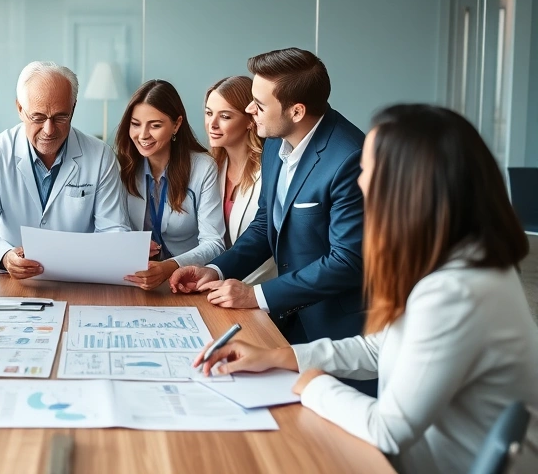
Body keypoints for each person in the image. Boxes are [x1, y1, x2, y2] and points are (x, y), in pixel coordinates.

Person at [194, 104, 538, 474]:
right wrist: (280, 358)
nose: (361, 182)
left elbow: (388, 430)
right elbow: (380, 347)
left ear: (409, 185)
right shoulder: (454, 260)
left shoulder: (456, 291)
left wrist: (313, 385)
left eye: (369, 169)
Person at [170, 48, 366, 350]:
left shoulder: (350, 158)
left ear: (296, 111)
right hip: (283, 320)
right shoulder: (275, 143)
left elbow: (347, 261)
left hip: (336, 329)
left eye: (259, 104)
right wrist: (217, 269)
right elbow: (265, 225)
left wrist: (258, 295)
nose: (249, 109)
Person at [0, 61, 130, 279]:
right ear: (20, 109)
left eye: (61, 117)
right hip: (13, 280)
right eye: (38, 117)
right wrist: (5, 256)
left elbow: (114, 230)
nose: (49, 130)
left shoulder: (100, 155)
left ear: (73, 108)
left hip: (82, 277)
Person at [116, 79, 225, 290]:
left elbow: (214, 243)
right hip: (134, 280)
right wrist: (131, 244)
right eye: (136, 124)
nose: (143, 135)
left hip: (186, 281)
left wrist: (169, 267)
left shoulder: (202, 167)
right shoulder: (122, 167)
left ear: (176, 124)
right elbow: (109, 228)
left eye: (155, 125)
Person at [204, 76, 276, 285]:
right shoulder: (210, 168)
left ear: (251, 120)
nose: (212, 124)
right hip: (213, 285)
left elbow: (266, 248)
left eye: (225, 116)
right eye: (209, 113)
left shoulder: (270, 171)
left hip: (256, 290)